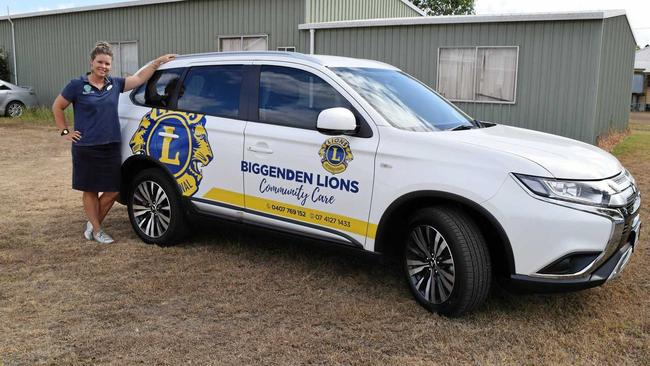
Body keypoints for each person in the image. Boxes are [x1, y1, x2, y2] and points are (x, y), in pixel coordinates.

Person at [52, 41, 176, 244]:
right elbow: (58, 106)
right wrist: (65, 131)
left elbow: (138, 79)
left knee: (114, 190)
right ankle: (99, 230)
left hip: (110, 146)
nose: (103, 66)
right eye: (100, 62)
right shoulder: (77, 85)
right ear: (92, 62)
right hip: (86, 147)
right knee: (90, 190)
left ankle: (92, 224)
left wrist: (156, 63)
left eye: (107, 63)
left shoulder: (115, 84)